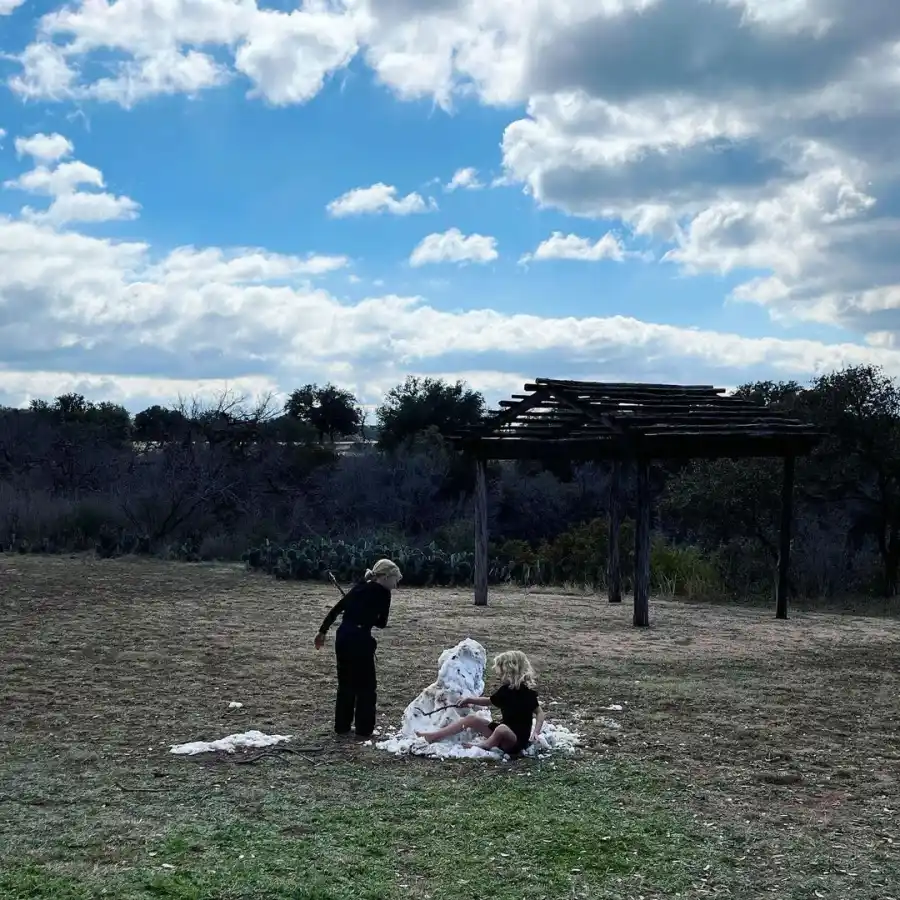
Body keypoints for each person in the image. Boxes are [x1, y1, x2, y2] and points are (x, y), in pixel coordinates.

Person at [314, 558, 402, 739]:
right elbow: (382, 623)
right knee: (366, 687)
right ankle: (364, 729)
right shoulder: (384, 593)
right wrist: (370, 617)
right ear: (385, 577)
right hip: (360, 640)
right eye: (395, 580)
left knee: (346, 684)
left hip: (343, 637)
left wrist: (322, 632)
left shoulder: (360, 587)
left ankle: (342, 727)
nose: (395, 585)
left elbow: (337, 609)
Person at [416, 650, 544, 756]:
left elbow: (540, 714)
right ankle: (435, 735)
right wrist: (470, 699)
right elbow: (488, 701)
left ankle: (485, 745)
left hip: (515, 741)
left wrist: (536, 732)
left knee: (502, 728)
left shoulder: (528, 694)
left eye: (501, 674)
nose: (498, 677)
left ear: (510, 672)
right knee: (473, 719)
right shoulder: (505, 691)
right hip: (500, 735)